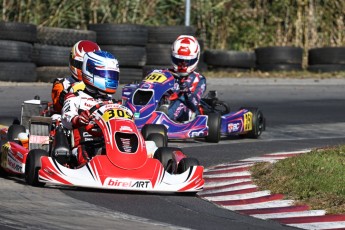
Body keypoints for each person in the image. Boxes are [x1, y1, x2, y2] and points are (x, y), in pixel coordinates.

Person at [61, 50, 120, 167]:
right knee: (83, 147)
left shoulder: (113, 102)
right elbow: (65, 118)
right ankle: (87, 166)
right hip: (84, 143)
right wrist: (77, 119)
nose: (110, 79)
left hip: (110, 143)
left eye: (113, 75)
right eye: (107, 75)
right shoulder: (76, 97)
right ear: (91, 72)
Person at [51, 40, 101, 113]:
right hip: (70, 118)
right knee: (56, 117)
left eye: (89, 67)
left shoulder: (101, 85)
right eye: (81, 65)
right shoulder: (62, 84)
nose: (84, 70)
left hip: (95, 117)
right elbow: (57, 107)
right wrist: (64, 97)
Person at [165, 35, 206, 122]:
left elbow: (194, 101)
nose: (182, 65)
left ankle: (165, 116)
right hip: (165, 103)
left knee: (181, 100)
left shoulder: (198, 79)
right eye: (179, 61)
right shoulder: (166, 73)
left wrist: (186, 92)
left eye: (186, 62)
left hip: (187, 109)